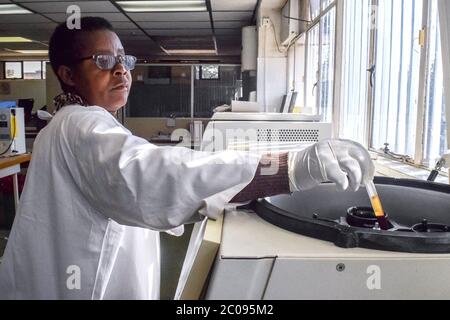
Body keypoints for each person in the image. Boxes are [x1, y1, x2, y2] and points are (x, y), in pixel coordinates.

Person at [0, 17, 374, 299]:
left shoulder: (67, 124)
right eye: (101, 60)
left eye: (123, 59)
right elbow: (152, 178)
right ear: (67, 74)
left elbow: (141, 175)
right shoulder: (80, 127)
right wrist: (290, 167)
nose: (120, 70)